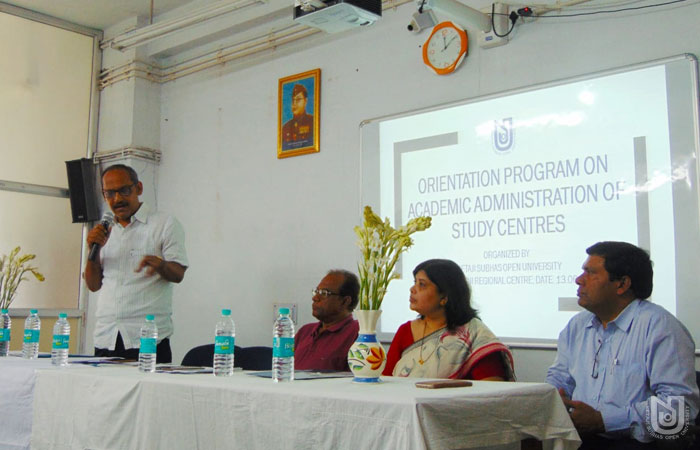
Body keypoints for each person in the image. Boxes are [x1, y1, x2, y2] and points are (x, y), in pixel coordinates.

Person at [546, 241, 699, 449]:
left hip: (638, 443)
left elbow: (679, 410)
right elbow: (560, 378)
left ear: (622, 284)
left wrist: (605, 420)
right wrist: (554, 397)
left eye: (591, 273)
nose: (579, 280)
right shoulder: (578, 325)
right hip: (583, 440)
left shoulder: (661, 327)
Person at [84, 164, 188, 364]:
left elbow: (178, 274)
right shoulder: (102, 231)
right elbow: (93, 285)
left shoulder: (164, 224)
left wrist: (160, 265)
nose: (117, 199)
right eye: (110, 193)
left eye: (124, 190)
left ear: (138, 188)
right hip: (107, 338)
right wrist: (93, 251)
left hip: (148, 340)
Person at [382, 259, 514, 380]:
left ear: (444, 296)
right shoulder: (405, 331)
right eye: (414, 282)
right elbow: (387, 381)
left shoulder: (474, 335)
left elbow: (492, 391)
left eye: (422, 284)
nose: (412, 289)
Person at [294, 269, 360, 371]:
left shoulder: (357, 332)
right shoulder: (305, 331)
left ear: (345, 301)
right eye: (316, 291)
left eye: (324, 293)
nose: (315, 298)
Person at [281, 83, 314, 150]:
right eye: (293, 100)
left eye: (298, 100)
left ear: (305, 101)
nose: (294, 104)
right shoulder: (285, 127)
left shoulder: (313, 122)